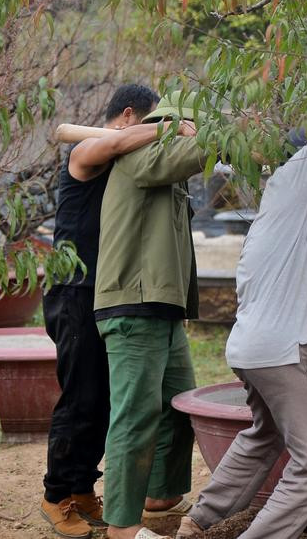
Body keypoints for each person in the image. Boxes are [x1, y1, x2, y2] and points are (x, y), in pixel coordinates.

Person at [177, 69, 307, 539]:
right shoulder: (295, 180)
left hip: (257, 349)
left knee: (264, 434)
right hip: (281, 355)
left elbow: (288, 314)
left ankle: (199, 520)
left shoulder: (283, 215)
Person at [42, 84, 181, 539]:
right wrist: (174, 127)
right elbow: (119, 142)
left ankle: (83, 489)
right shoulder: (86, 149)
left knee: (103, 399)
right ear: (127, 115)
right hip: (74, 290)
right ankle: (55, 495)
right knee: (80, 398)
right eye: (148, 122)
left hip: (102, 292)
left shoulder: (122, 159)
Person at [95, 92, 212, 539]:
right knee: (135, 417)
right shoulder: (140, 153)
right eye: (184, 123)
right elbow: (183, 153)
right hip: (132, 304)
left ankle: (159, 497)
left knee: (181, 405)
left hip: (161, 308)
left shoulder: (170, 170)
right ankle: (121, 526)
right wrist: (224, 137)